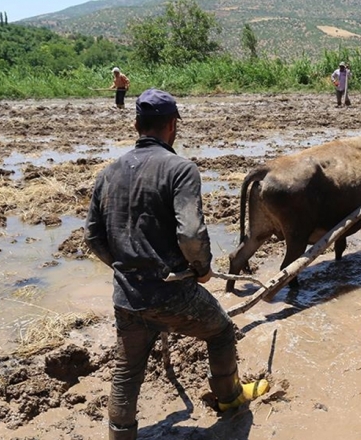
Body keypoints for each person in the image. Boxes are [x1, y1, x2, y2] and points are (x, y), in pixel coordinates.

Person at [85, 88, 270, 440]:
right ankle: (230, 399)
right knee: (220, 331)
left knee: (127, 370)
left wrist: (125, 268)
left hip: (127, 296)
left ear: (137, 124)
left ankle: (119, 434)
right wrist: (201, 269)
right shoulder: (180, 170)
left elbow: (92, 238)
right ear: (172, 126)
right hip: (171, 292)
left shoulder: (108, 173)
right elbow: (190, 234)